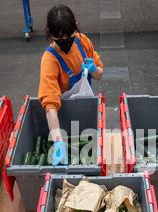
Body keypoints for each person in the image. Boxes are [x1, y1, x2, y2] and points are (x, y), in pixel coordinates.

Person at [38, 4, 104, 166]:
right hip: (63, 117)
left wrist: (94, 69)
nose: (66, 42)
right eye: (60, 39)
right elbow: (50, 106)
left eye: (70, 36)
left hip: (85, 108)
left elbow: (99, 73)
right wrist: (59, 142)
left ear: (75, 29)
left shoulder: (82, 41)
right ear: (50, 34)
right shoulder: (50, 60)